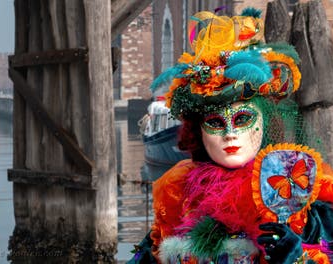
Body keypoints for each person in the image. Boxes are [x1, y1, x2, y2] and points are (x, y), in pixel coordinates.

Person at [129, 7, 333, 264]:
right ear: (199, 132)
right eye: (215, 123)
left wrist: (296, 258)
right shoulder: (177, 196)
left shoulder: (295, 192)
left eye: (243, 119)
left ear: (264, 121)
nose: (230, 134)